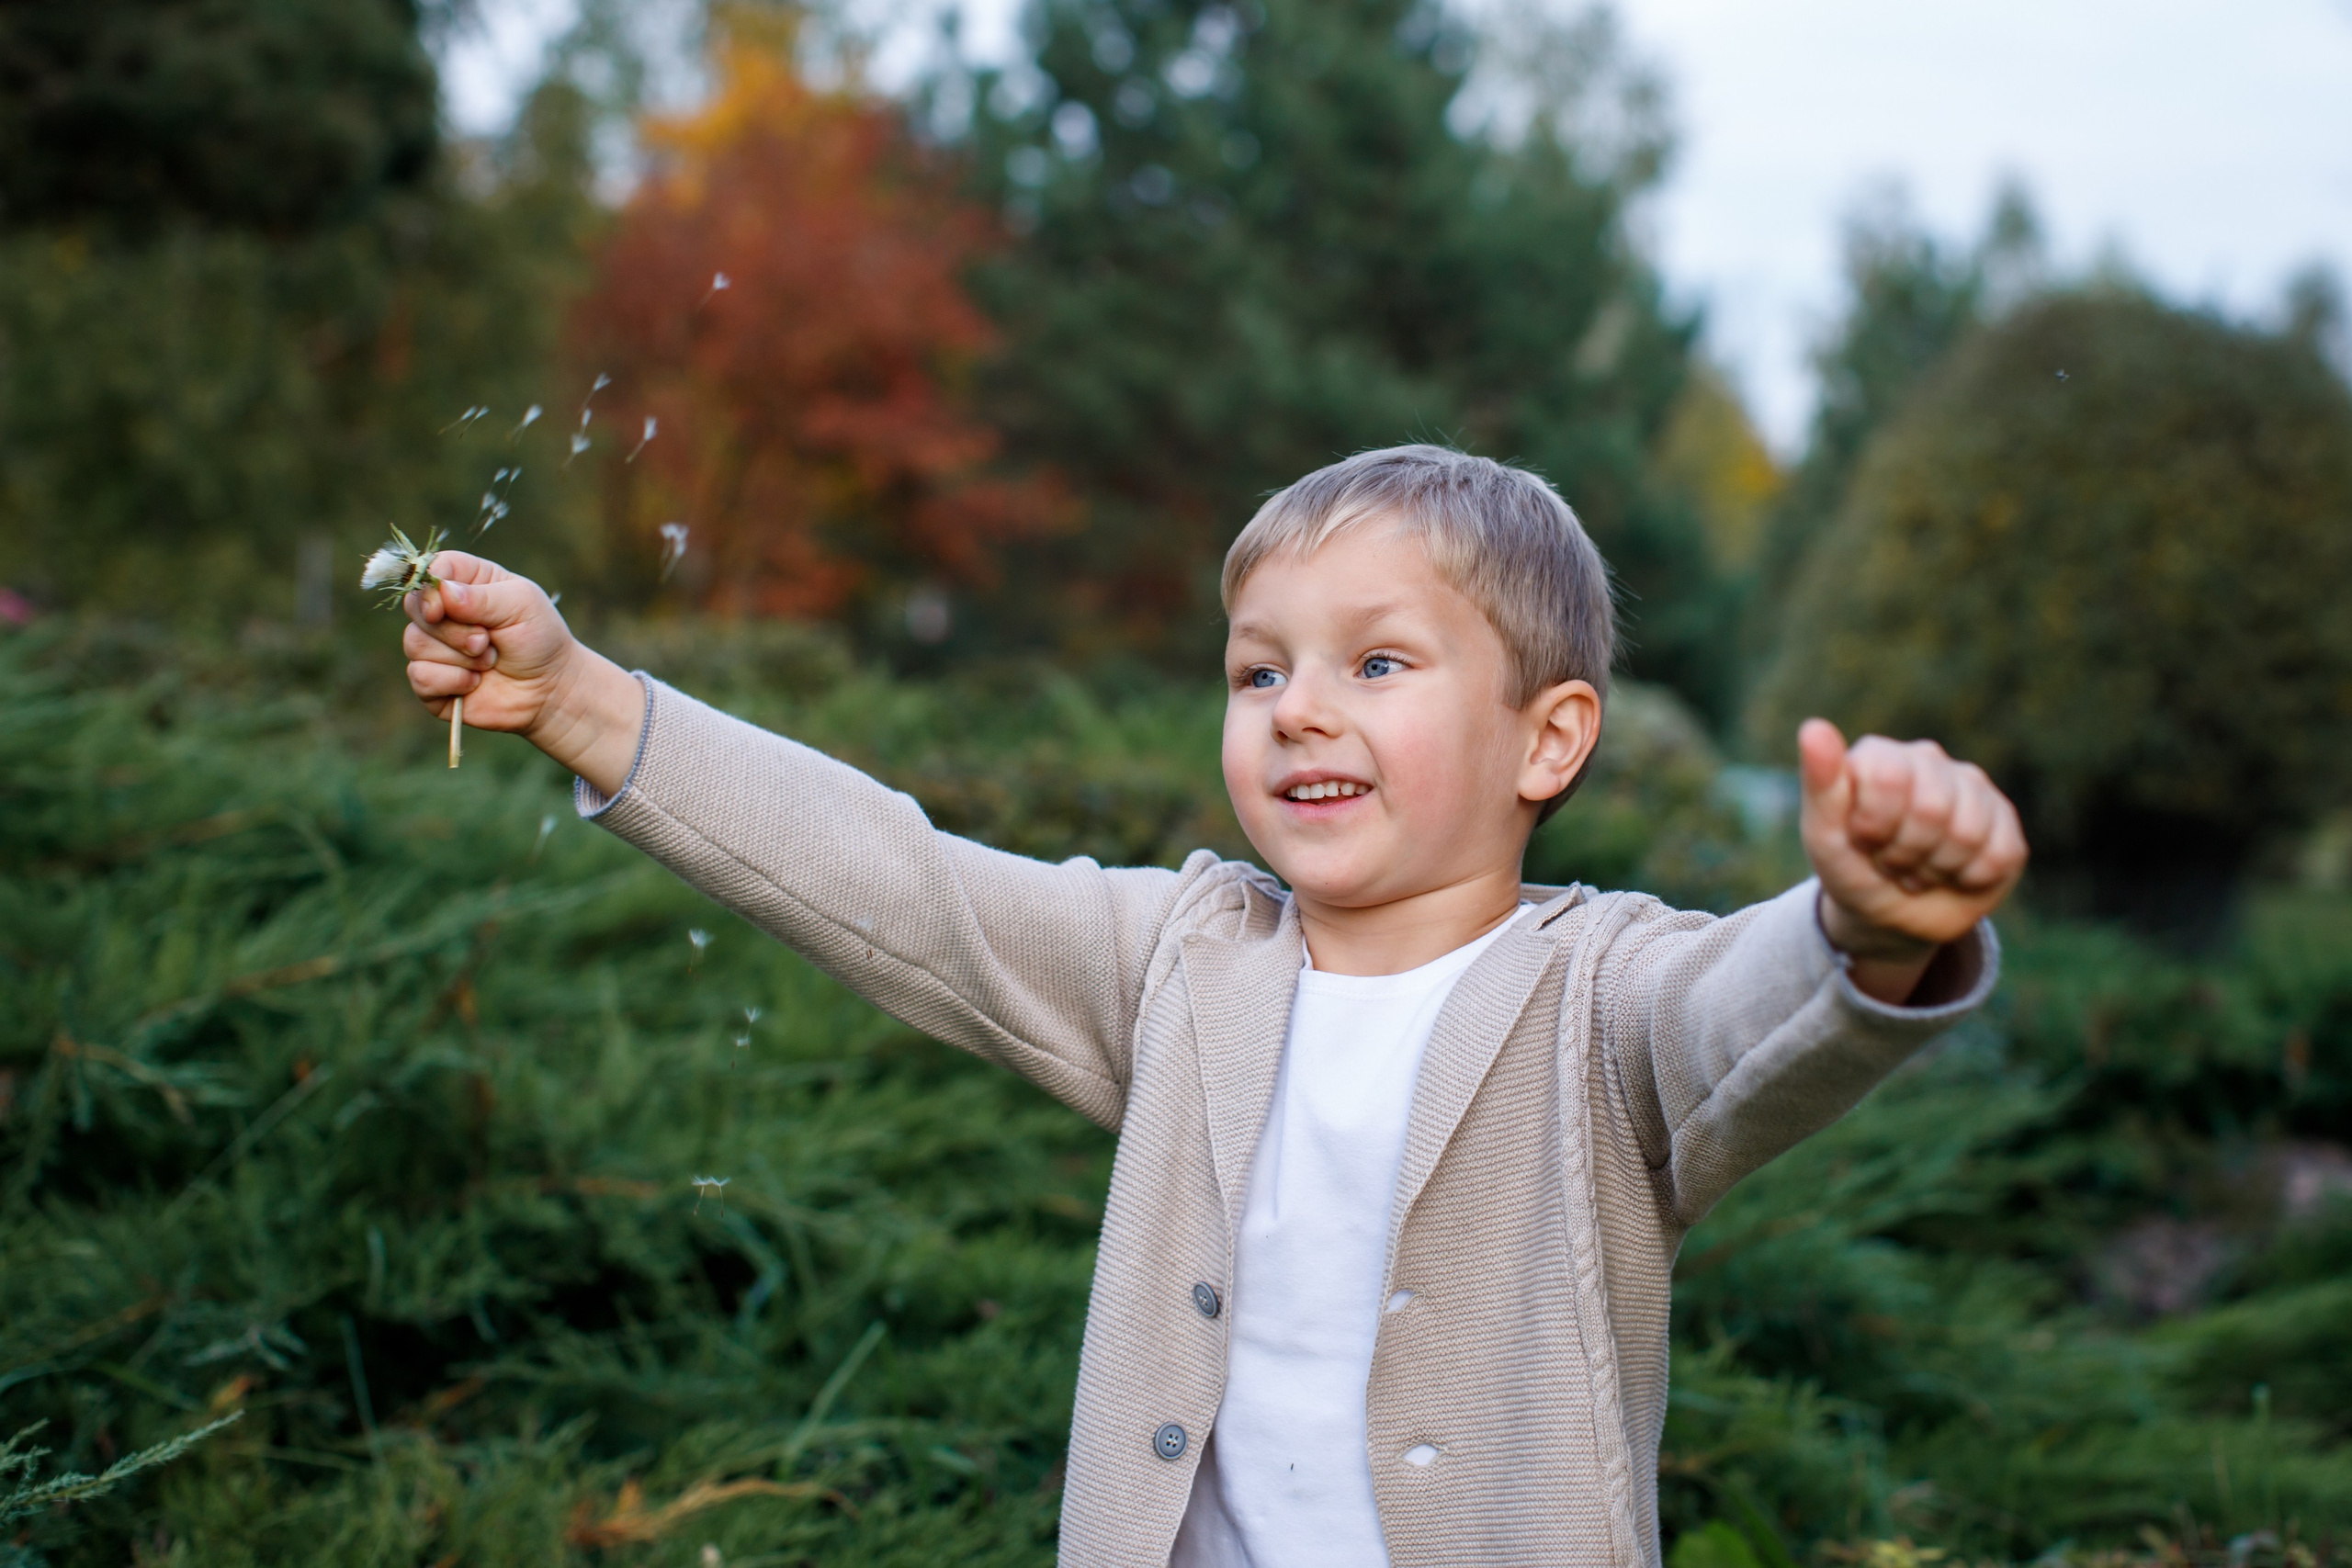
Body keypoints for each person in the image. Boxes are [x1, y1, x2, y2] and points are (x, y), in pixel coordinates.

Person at [397, 445, 2026, 1568]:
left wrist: (1863, 930)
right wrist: (589, 701)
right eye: (1260, 671)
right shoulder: (1188, 957)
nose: (1300, 709)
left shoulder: (1604, 995)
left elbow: (1746, 1022)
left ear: (1551, 739)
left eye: (1378, 665)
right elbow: (908, 885)